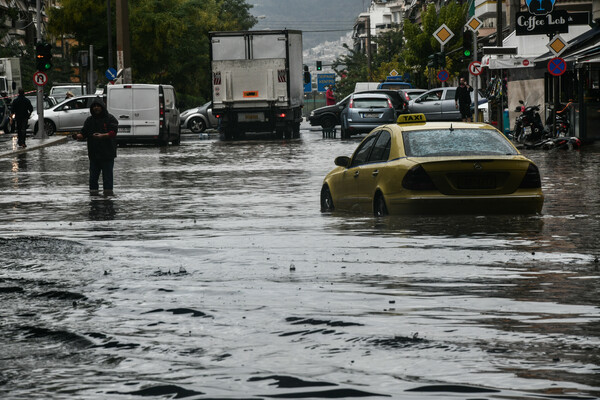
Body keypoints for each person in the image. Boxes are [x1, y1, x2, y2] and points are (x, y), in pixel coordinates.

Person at [75, 98, 119, 196]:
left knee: (107, 179)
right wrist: (78, 136)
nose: (96, 108)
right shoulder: (89, 120)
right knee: (93, 180)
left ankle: (108, 199)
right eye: (94, 106)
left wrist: (103, 136)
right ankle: (94, 199)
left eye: (98, 106)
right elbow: (83, 133)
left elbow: (113, 133)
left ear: (102, 107)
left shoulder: (110, 119)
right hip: (94, 155)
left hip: (107, 155)